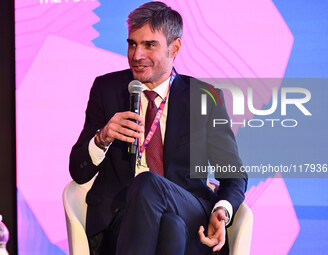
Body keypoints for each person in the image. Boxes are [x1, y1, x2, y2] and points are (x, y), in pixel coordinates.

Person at [69, 2, 247, 255]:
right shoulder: (106, 90)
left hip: (189, 212)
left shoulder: (205, 97)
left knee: (149, 184)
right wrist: (102, 138)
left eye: (149, 45)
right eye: (132, 43)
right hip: (123, 217)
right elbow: (79, 171)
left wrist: (223, 210)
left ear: (175, 47)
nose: (137, 55)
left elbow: (233, 174)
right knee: (169, 226)